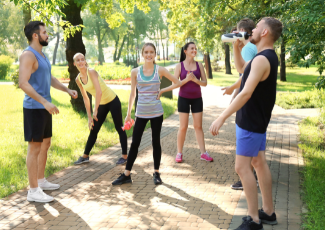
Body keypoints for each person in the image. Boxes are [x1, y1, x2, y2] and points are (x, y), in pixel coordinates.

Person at [209, 17, 283, 230]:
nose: (253, 30)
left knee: (242, 167)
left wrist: (221, 116)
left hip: (250, 121)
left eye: (257, 27)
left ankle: (254, 220)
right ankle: (268, 212)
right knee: (258, 163)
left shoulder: (262, 59)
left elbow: (247, 92)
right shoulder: (264, 56)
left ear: (265, 33)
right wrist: (236, 47)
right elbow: (242, 69)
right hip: (256, 121)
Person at [19, 21, 78, 203]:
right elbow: (23, 83)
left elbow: (49, 78)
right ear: (35, 35)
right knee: (34, 147)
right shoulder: (28, 55)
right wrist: (44, 102)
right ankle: (33, 190)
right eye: (45, 32)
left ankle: (41, 181)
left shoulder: (41, 55)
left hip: (44, 107)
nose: (47, 35)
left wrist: (67, 90)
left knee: (45, 144)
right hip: (34, 108)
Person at [112, 43, 181, 185]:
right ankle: (126, 174)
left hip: (156, 112)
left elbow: (177, 82)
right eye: (146, 52)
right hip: (141, 113)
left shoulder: (160, 70)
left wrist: (162, 91)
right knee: (135, 143)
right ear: (142, 54)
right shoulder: (135, 72)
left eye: (151, 52)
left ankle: (156, 173)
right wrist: (128, 114)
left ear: (155, 54)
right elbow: (132, 94)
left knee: (155, 142)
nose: (149, 55)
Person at [73, 53, 128, 165]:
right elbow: (85, 98)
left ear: (85, 61)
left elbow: (99, 91)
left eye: (82, 59)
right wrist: (89, 116)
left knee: (119, 127)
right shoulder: (78, 79)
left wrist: (95, 109)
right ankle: (85, 156)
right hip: (101, 103)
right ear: (74, 64)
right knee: (94, 129)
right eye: (78, 60)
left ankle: (125, 156)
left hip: (112, 100)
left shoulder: (91, 72)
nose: (80, 62)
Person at [230, 18, 259, 190]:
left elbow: (243, 72)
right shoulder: (254, 47)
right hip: (255, 100)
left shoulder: (249, 48)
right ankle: (251, 175)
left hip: (249, 102)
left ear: (241, 31)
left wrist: (235, 95)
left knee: (246, 143)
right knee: (256, 150)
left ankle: (248, 177)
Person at [174, 42, 212, 163]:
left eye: (195, 49)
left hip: (197, 99)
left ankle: (203, 153)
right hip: (183, 99)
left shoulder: (199, 65)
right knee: (183, 127)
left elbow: (205, 83)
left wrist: (196, 80)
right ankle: (179, 153)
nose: (194, 50)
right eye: (192, 48)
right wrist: (186, 80)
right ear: (185, 51)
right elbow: (175, 84)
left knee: (198, 126)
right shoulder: (179, 66)